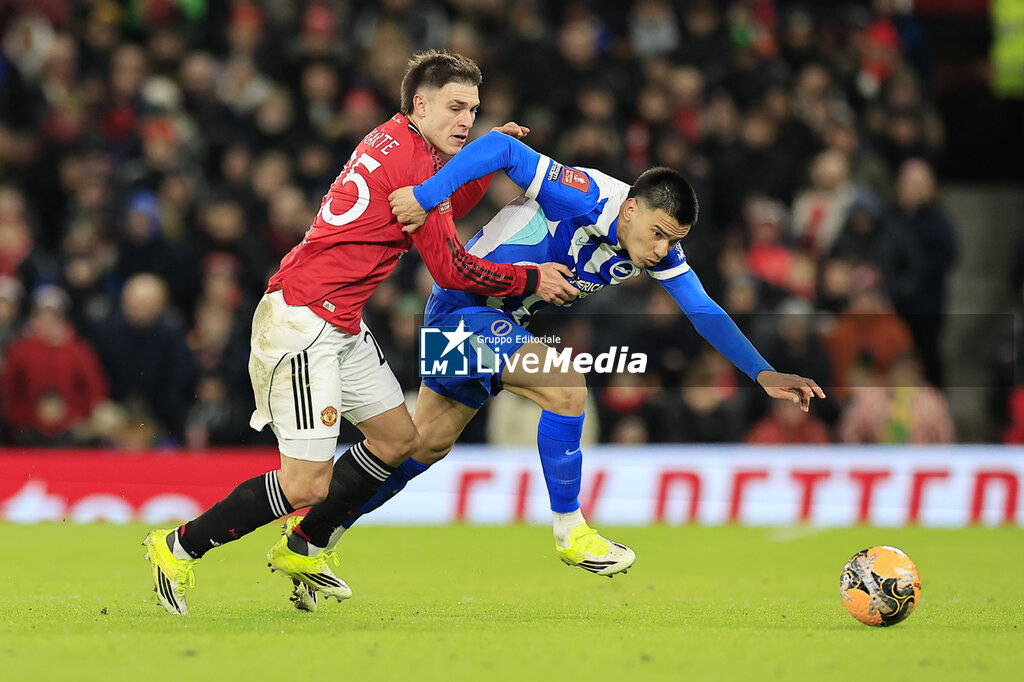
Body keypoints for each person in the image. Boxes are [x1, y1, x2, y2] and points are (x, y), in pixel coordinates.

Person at [283, 131, 825, 610]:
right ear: (630, 209)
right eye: (659, 233)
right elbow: (502, 148)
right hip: (463, 309)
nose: (662, 250)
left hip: (492, 323)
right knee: (566, 386)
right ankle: (571, 530)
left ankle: (310, 539)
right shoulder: (585, 194)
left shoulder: (656, 252)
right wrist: (427, 196)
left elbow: (704, 309)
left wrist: (763, 373)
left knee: (420, 447)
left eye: (673, 240)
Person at [143, 50, 579, 616]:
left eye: (473, 110)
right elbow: (451, 270)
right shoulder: (414, 164)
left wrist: (486, 161)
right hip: (303, 321)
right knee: (306, 485)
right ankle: (178, 546)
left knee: (398, 440)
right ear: (420, 104)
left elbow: (445, 199)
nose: (466, 120)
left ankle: (304, 547)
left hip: (340, 320)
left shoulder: (399, 141)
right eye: (455, 107)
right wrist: (531, 278)